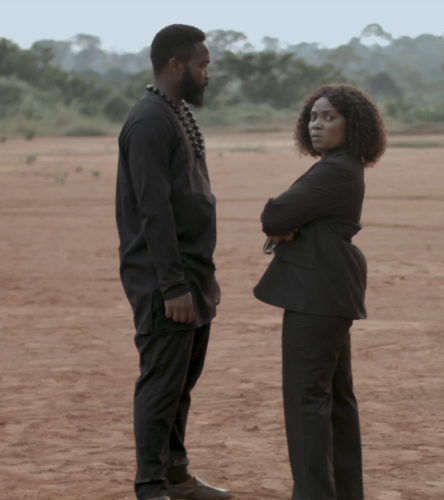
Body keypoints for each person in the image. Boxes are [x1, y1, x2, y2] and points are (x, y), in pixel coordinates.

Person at [254, 84, 387, 500]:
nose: (317, 124)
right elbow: (286, 217)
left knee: (306, 402)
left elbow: (275, 213)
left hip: (316, 294)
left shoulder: (334, 171)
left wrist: (287, 224)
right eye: (313, 116)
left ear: (353, 125)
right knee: (335, 401)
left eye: (330, 117)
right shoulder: (343, 166)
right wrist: (292, 223)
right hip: (329, 292)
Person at [116, 24, 230, 500]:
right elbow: (153, 209)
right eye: (202, 65)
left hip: (192, 275)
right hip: (166, 280)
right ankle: (150, 486)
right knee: (161, 383)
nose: (207, 74)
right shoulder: (148, 120)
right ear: (175, 65)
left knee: (182, 382)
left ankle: (176, 476)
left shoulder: (175, 112)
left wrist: (199, 279)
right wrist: (173, 285)